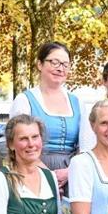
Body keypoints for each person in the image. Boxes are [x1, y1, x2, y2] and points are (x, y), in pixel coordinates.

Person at [9, 41, 80, 187]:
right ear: (40, 64)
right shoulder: (24, 100)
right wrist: (49, 176)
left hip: (72, 175)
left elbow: (86, 146)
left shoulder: (77, 102)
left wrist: (69, 172)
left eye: (65, 64)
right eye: (55, 62)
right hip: (32, 171)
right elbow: (18, 142)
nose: (60, 69)